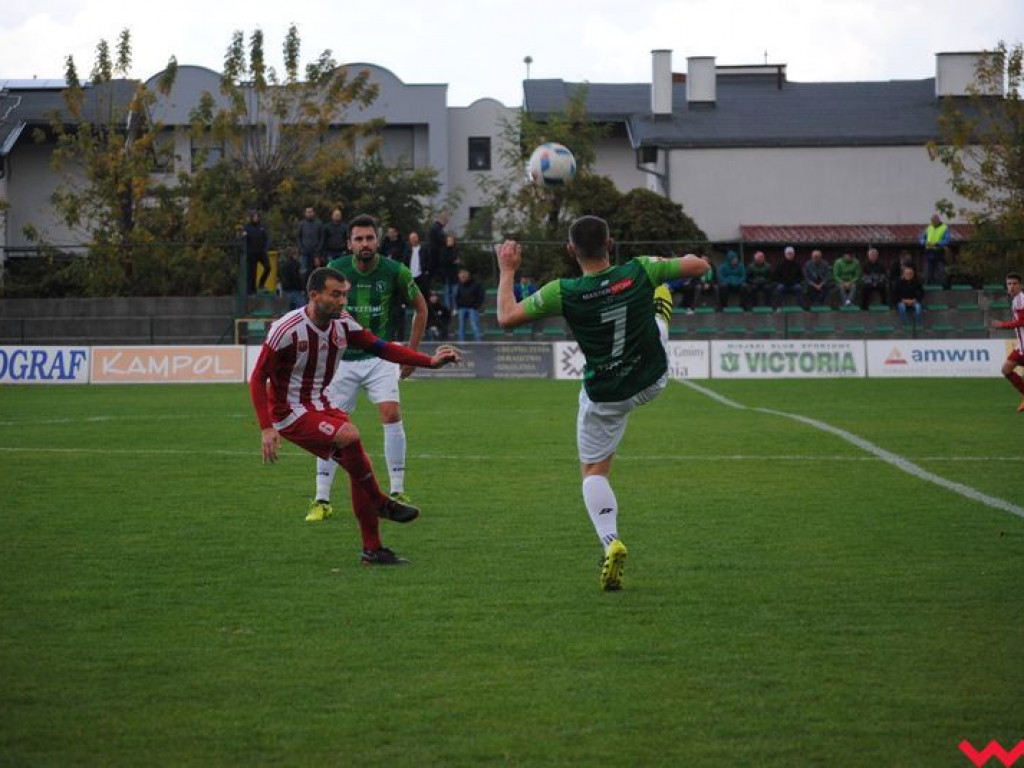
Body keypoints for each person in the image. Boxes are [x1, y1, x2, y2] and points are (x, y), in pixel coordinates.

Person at [494, 215, 708, 591]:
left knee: (593, 472)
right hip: (651, 378)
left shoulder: (564, 290)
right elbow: (699, 266)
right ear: (611, 244)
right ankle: (661, 310)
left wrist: (507, 270)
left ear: (570, 249)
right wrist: (663, 262)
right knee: (657, 310)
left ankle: (611, 542)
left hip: (606, 393)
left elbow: (506, 317)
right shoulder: (639, 270)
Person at [249, 266, 460, 565]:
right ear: (314, 296)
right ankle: (380, 503)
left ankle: (372, 550)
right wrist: (266, 427)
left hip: (322, 404)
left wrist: (430, 362)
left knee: (359, 467)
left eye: (344, 295)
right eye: (335, 295)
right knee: (350, 436)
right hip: (290, 412)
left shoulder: (343, 324)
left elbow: (383, 348)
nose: (342, 302)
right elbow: (257, 378)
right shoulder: (286, 329)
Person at [307, 213, 430, 523]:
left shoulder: (396, 271)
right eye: (358, 238)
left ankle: (398, 490)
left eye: (369, 238)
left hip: (381, 356)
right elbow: (314, 311)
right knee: (332, 427)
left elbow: (421, 308)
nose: (365, 243)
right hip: (340, 360)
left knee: (391, 412)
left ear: (378, 241)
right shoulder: (335, 273)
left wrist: (410, 353)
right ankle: (322, 498)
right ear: (349, 243)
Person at [990, 272, 1024, 413]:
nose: (1011, 287)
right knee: (1006, 369)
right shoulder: (1016, 299)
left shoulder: (1021, 300)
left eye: (1014, 284)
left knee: (1007, 369)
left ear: (1020, 285)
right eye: (1009, 284)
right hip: (1021, 345)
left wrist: (1002, 325)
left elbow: (1022, 321)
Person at [243, 210, 271, 295]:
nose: (256, 218)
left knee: (268, 267)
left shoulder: (261, 227)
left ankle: (261, 284)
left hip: (261, 251)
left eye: (257, 217)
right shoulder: (247, 227)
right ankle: (251, 290)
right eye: (255, 217)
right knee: (252, 272)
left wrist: (266, 247)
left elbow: (267, 238)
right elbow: (244, 239)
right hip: (251, 252)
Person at [454, 267, 485, 341]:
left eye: (464, 275)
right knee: (461, 326)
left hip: (472, 307)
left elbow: (481, 295)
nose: (462, 277)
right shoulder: (459, 285)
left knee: (474, 325)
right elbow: (457, 296)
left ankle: (478, 341)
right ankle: (461, 341)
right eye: (461, 276)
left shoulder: (477, 284)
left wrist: (477, 305)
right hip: (462, 307)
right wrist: (458, 306)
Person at [919, 214, 950, 286]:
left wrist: (937, 243)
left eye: (934, 221)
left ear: (938, 220)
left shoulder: (944, 228)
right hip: (929, 251)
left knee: (941, 270)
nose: (933, 222)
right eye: (932, 221)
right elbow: (921, 238)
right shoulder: (928, 228)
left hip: (939, 251)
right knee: (928, 271)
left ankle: (943, 285)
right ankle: (927, 285)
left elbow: (947, 240)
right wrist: (925, 242)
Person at [296, 206, 324, 280]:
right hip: (304, 252)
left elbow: (322, 238)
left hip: (316, 253)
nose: (309, 214)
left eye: (311, 212)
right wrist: (301, 248)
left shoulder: (319, 223)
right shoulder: (301, 224)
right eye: (308, 212)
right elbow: (298, 237)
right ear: (305, 213)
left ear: (314, 213)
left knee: (317, 272)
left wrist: (318, 251)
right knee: (303, 272)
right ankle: (303, 289)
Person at [406, 231, 432, 298]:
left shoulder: (424, 249)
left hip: (421, 274)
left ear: (417, 238)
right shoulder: (408, 250)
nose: (413, 240)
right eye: (411, 238)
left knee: (424, 294)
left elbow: (429, 260)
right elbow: (405, 261)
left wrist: (427, 270)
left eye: (414, 238)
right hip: (411, 275)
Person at [438, 234, 460, 311]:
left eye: (451, 240)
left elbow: (456, 258)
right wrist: (452, 260)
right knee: (447, 292)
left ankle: (455, 308)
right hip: (446, 275)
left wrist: (450, 260)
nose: (450, 242)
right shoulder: (443, 250)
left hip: (454, 274)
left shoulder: (456, 249)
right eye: (449, 240)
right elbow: (443, 260)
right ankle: (447, 309)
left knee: (455, 293)